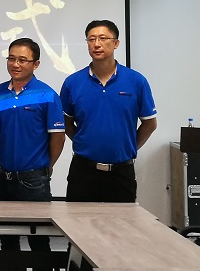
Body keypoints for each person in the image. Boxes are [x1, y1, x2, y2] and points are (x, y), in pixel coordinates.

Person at [60, 20, 157, 203]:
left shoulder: (136, 81)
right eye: (91, 39)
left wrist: (128, 146)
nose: (96, 44)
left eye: (103, 38)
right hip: (83, 171)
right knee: (79, 221)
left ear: (116, 43)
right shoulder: (73, 83)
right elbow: (66, 123)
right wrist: (83, 141)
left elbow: (150, 123)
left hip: (121, 172)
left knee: (122, 221)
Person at [0, 38, 65, 270]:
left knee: (39, 242)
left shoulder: (47, 94)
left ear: (36, 64)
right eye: (11, 58)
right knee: (7, 241)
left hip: (34, 181)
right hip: (3, 178)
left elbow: (58, 137)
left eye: (22, 60)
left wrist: (46, 167)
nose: (15, 64)